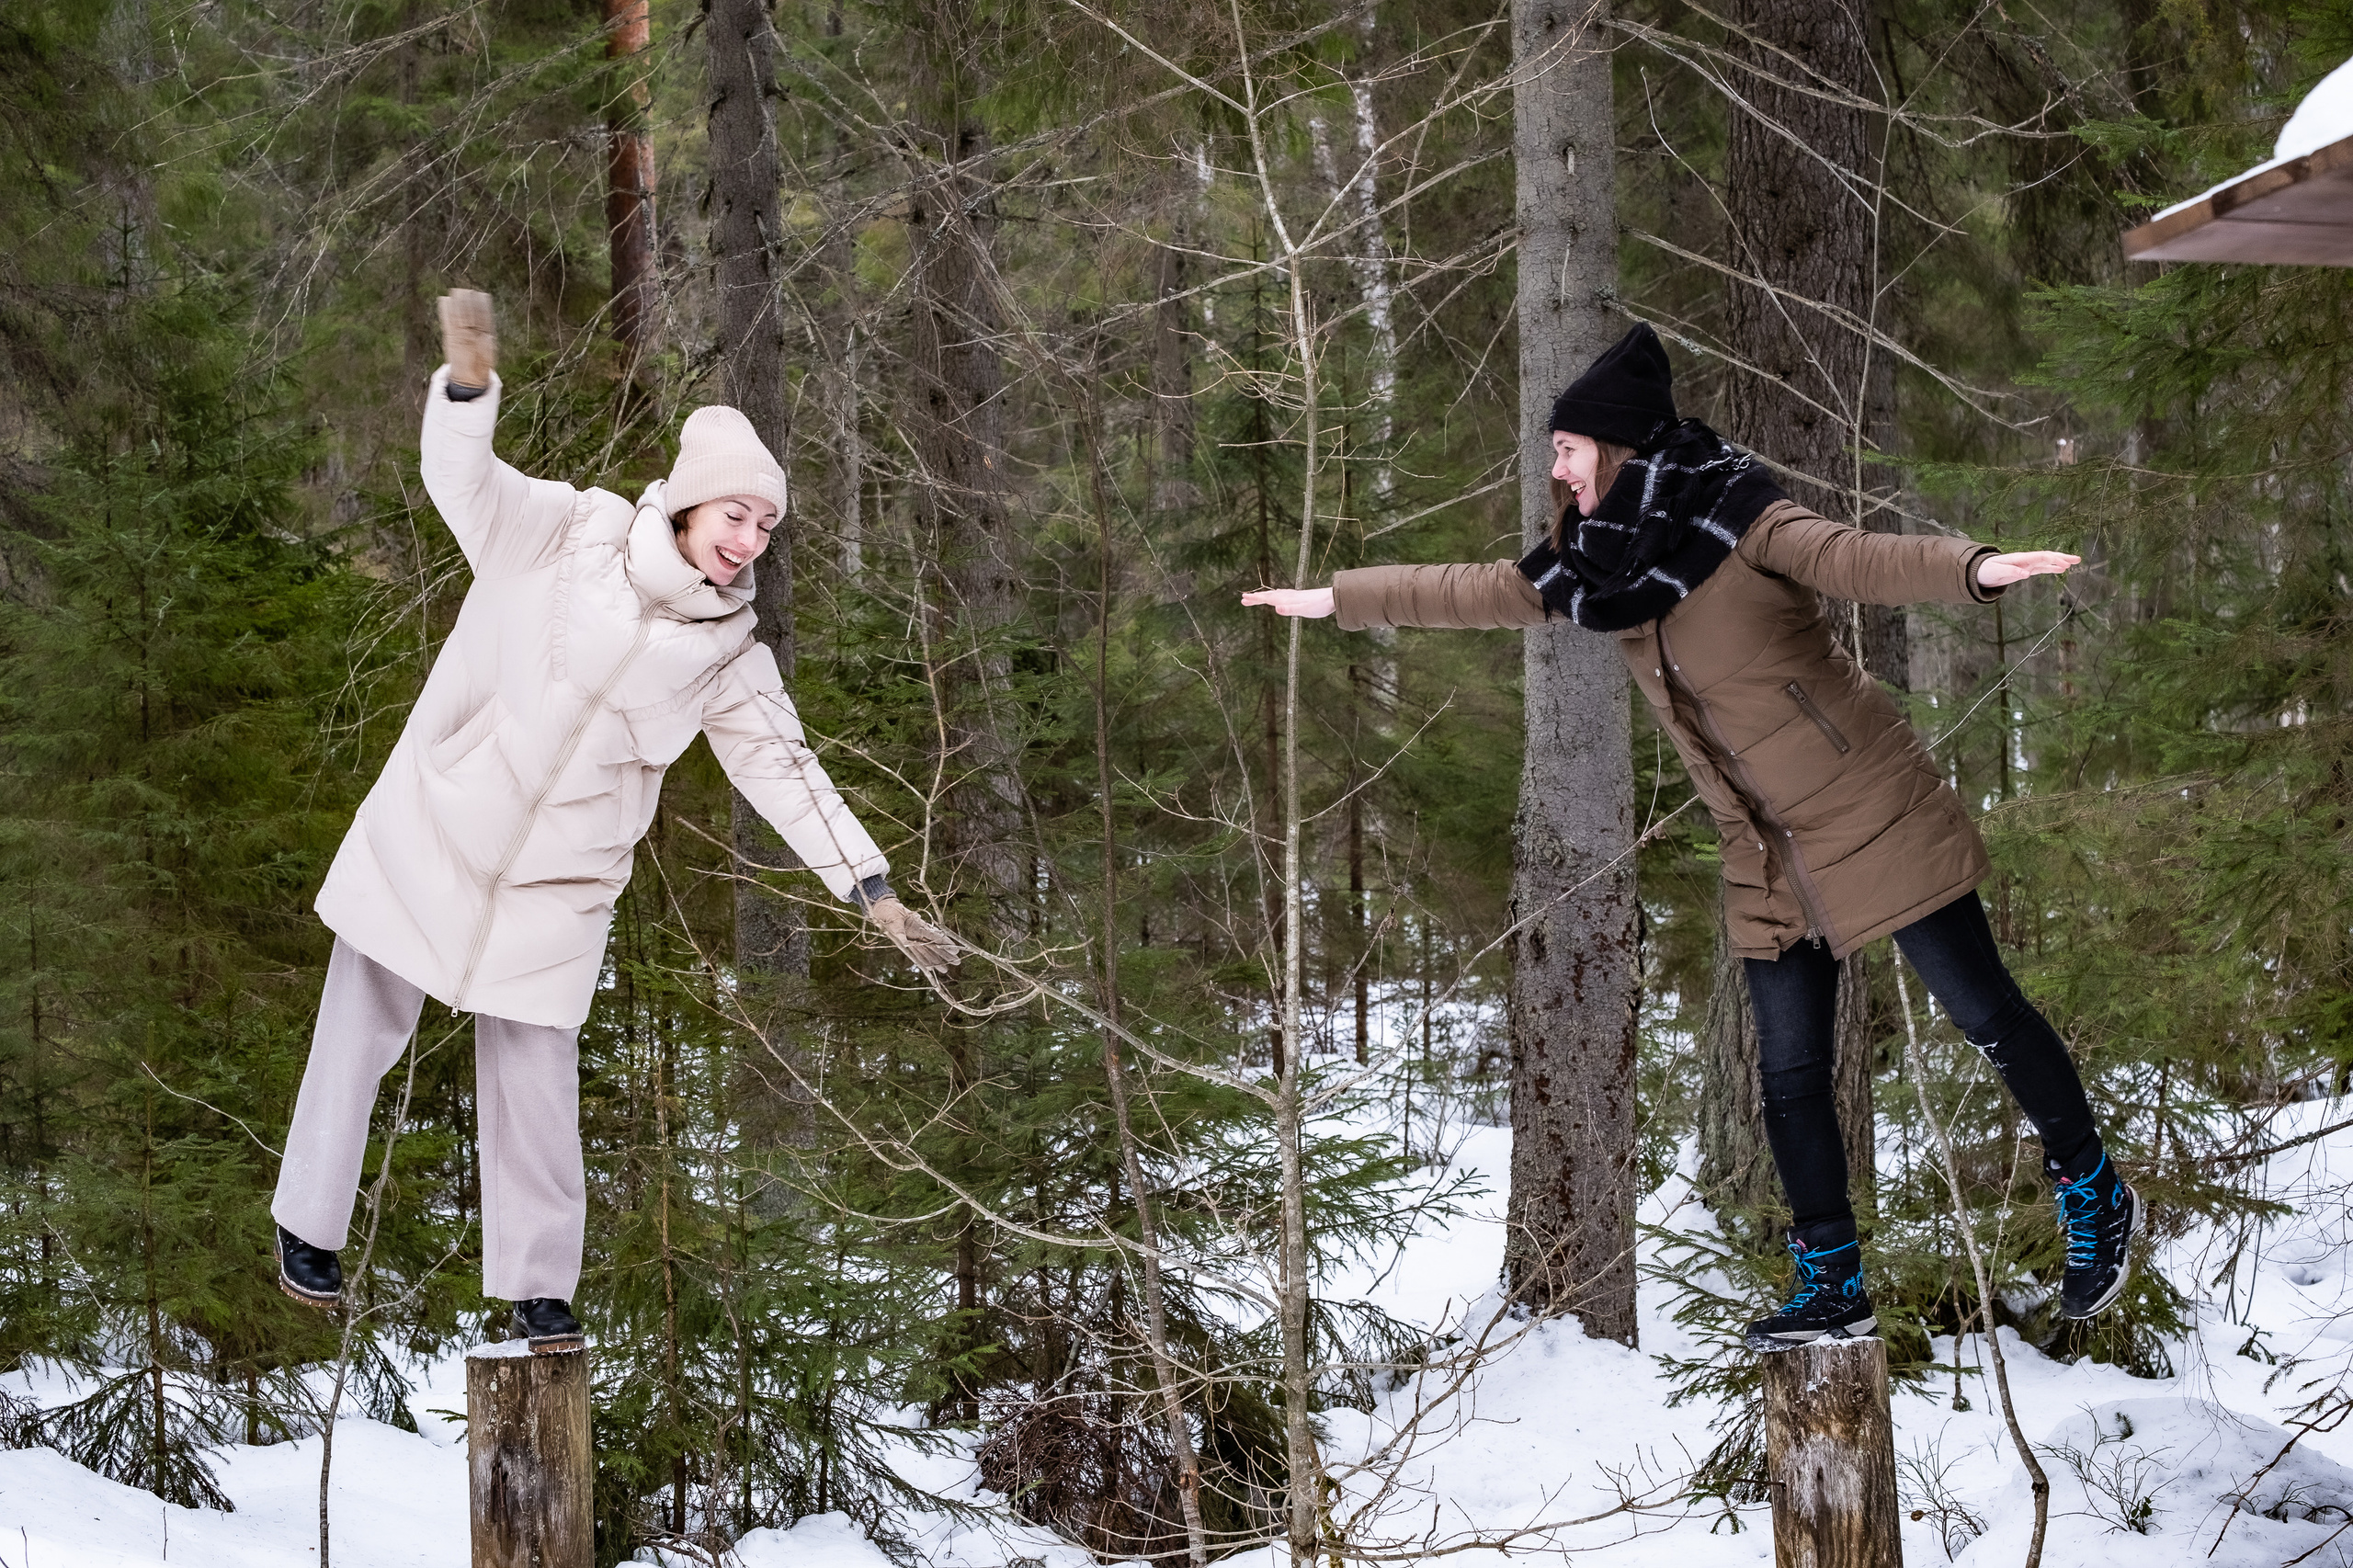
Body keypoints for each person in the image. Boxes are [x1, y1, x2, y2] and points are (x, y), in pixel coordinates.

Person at [1243, 322, 2138, 1353]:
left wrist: (1973, 568)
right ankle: (1833, 1282)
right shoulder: (1599, 565)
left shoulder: (1738, 512)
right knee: (1790, 1073)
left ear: (1616, 447)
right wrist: (1332, 597)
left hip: (1867, 802)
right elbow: (1474, 586)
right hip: (1760, 849)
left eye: (1567, 448)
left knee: (1983, 1011)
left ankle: (2094, 1192)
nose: (1555, 468)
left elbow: (1855, 559)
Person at [271, 291, 958, 1353]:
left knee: (534, 1084)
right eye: (738, 513)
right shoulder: (572, 529)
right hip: (443, 816)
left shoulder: (731, 655)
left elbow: (787, 770)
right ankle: (305, 1222)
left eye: (767, 525)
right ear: (688, 505)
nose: (750, 538)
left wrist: (871, 888)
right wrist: (466, 391)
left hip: (561, 882)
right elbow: (464, 482)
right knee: (359, 1020)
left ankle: (539, 1289)